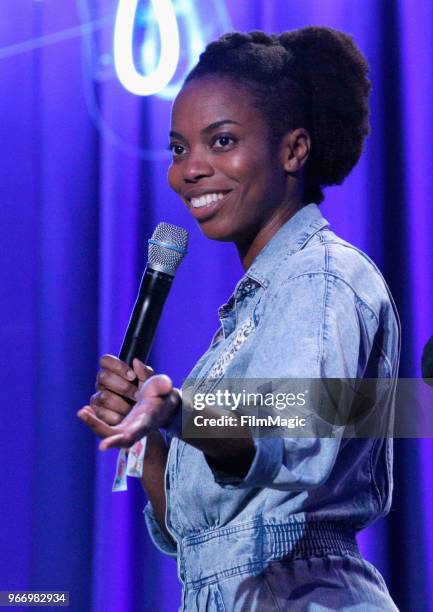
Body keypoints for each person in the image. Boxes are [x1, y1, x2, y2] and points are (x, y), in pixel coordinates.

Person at [78, 27, 400, 611]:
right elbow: (196, 536)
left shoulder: (321, 278)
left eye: (221, 142)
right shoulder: (252, 313)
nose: (190, 170)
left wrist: (178, 409)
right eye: (179, 149)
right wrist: (150, 436)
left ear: (293, 150)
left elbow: (292, 424)